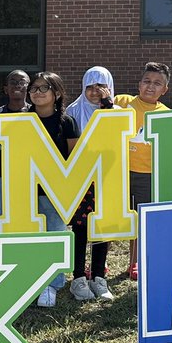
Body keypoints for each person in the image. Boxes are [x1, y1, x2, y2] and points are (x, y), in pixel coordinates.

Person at [114, 62, 171, 281]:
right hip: (117, 170)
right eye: (147, 81)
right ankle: (100, 264)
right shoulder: (122, 102)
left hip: (146, 175)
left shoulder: (166, 114)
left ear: (164, 90)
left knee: (140, 220)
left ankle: (134, 262)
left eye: (157, 83)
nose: (150, 86)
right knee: (109, 216)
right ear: (139, 84)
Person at [27, 72, 79, 307]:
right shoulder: (22, 120)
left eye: (43, 88)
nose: (37, 93)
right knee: (29, 239)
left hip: (55, 192)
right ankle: (30, 283)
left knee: (55, 236)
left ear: (56, 93)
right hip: (25, 191)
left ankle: (53, 284)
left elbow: (74, 158)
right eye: (33, 88)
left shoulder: (67, 122)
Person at [64, 66, 116, 302]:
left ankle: (98, 276)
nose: (95, 92)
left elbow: (117, 134)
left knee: (103, 227)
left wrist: (108, 105)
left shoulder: (116, 111)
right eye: (90, 87)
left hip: (108, 177)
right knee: (81, 228)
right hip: (81, 178)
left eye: (100, 87)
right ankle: (78, 277)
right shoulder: (73, 111)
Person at [0, 70, 30, 217]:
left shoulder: (35, 113)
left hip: (30, 174)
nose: (17, 85)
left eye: (22, 81)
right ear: (6, 88)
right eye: (13, 82)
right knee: (5, 215)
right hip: (3, 174)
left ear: (28, 87)